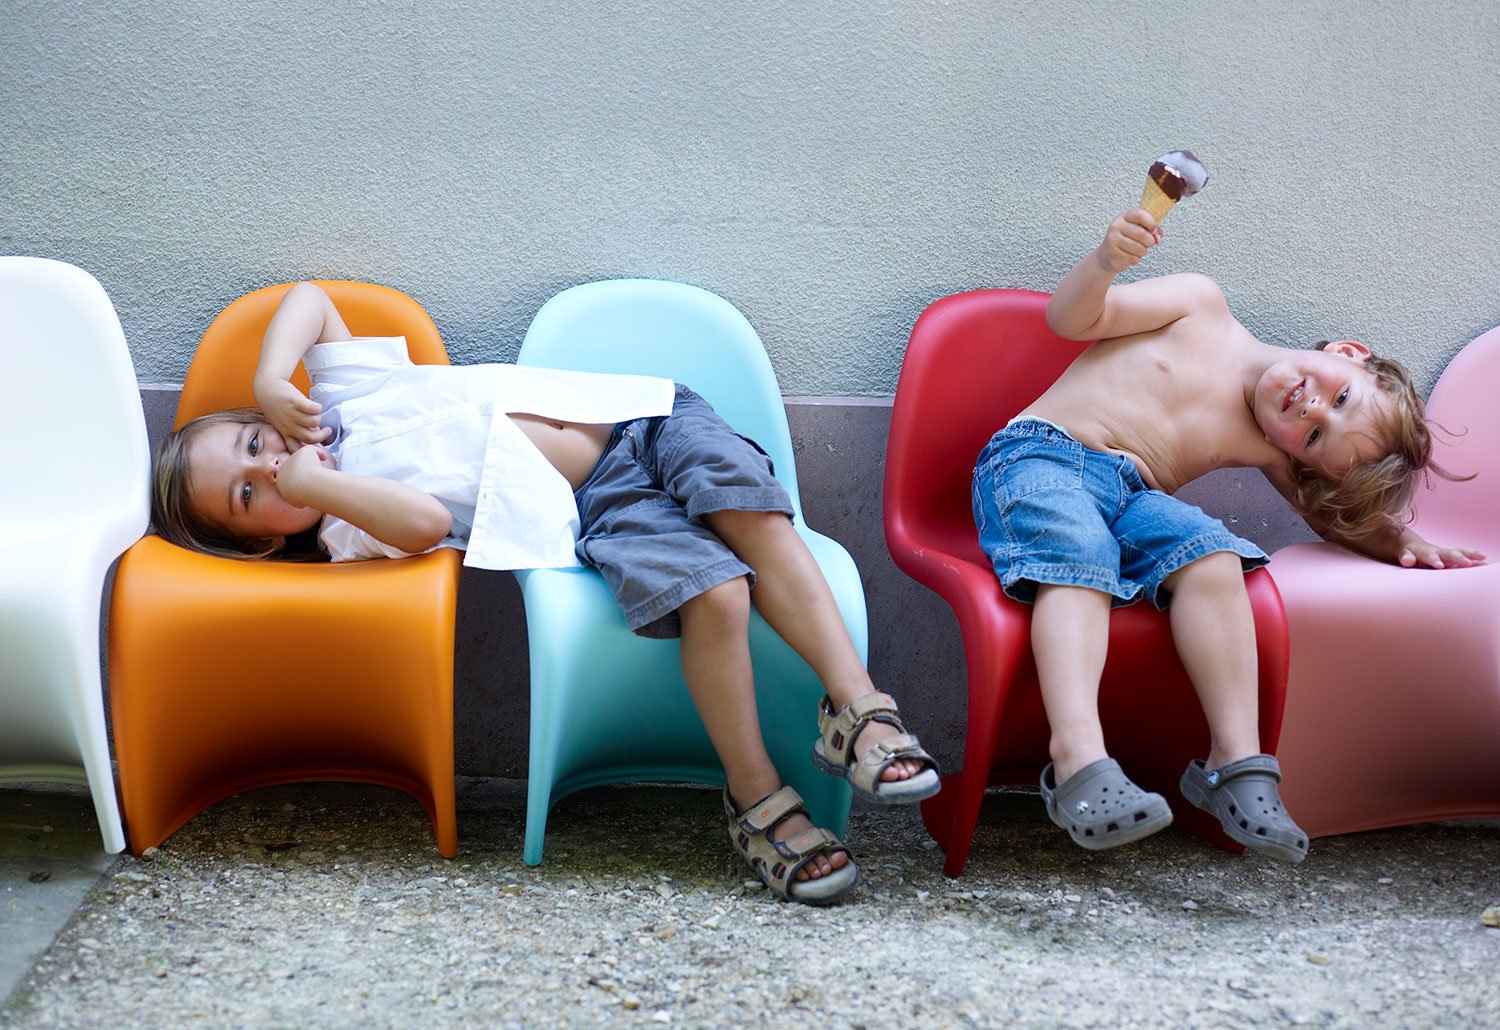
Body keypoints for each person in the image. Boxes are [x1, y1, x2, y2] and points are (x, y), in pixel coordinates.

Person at [152, 281, 940, 905]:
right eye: (249, 494)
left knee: (755, 517)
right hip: (603, 501)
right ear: (262, 542)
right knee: (719, 594)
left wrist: (271, 377)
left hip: (652, 414)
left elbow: (309, 297)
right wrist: (318, 485)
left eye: (254, 442)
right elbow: (426, 523)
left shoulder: (343, 393)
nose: (268, 466)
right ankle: (755, 794)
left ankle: (860, 710)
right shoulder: (345, 529)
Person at [972, 208, 1483, 862]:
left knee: (1212, 556)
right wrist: (1106, 262)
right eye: (1342, 399)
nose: (1312, 410)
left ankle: (1236, 765)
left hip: (1134, 497)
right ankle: (1078, 760)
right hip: (1039, 457)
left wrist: (1400, 542)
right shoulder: (1200, 306)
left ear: (1297, 455)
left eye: (1316, 437)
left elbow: (1324, 515)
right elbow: (1070, 320)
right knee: (1083, 553)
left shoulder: (1269, 444)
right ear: (1349, 353)